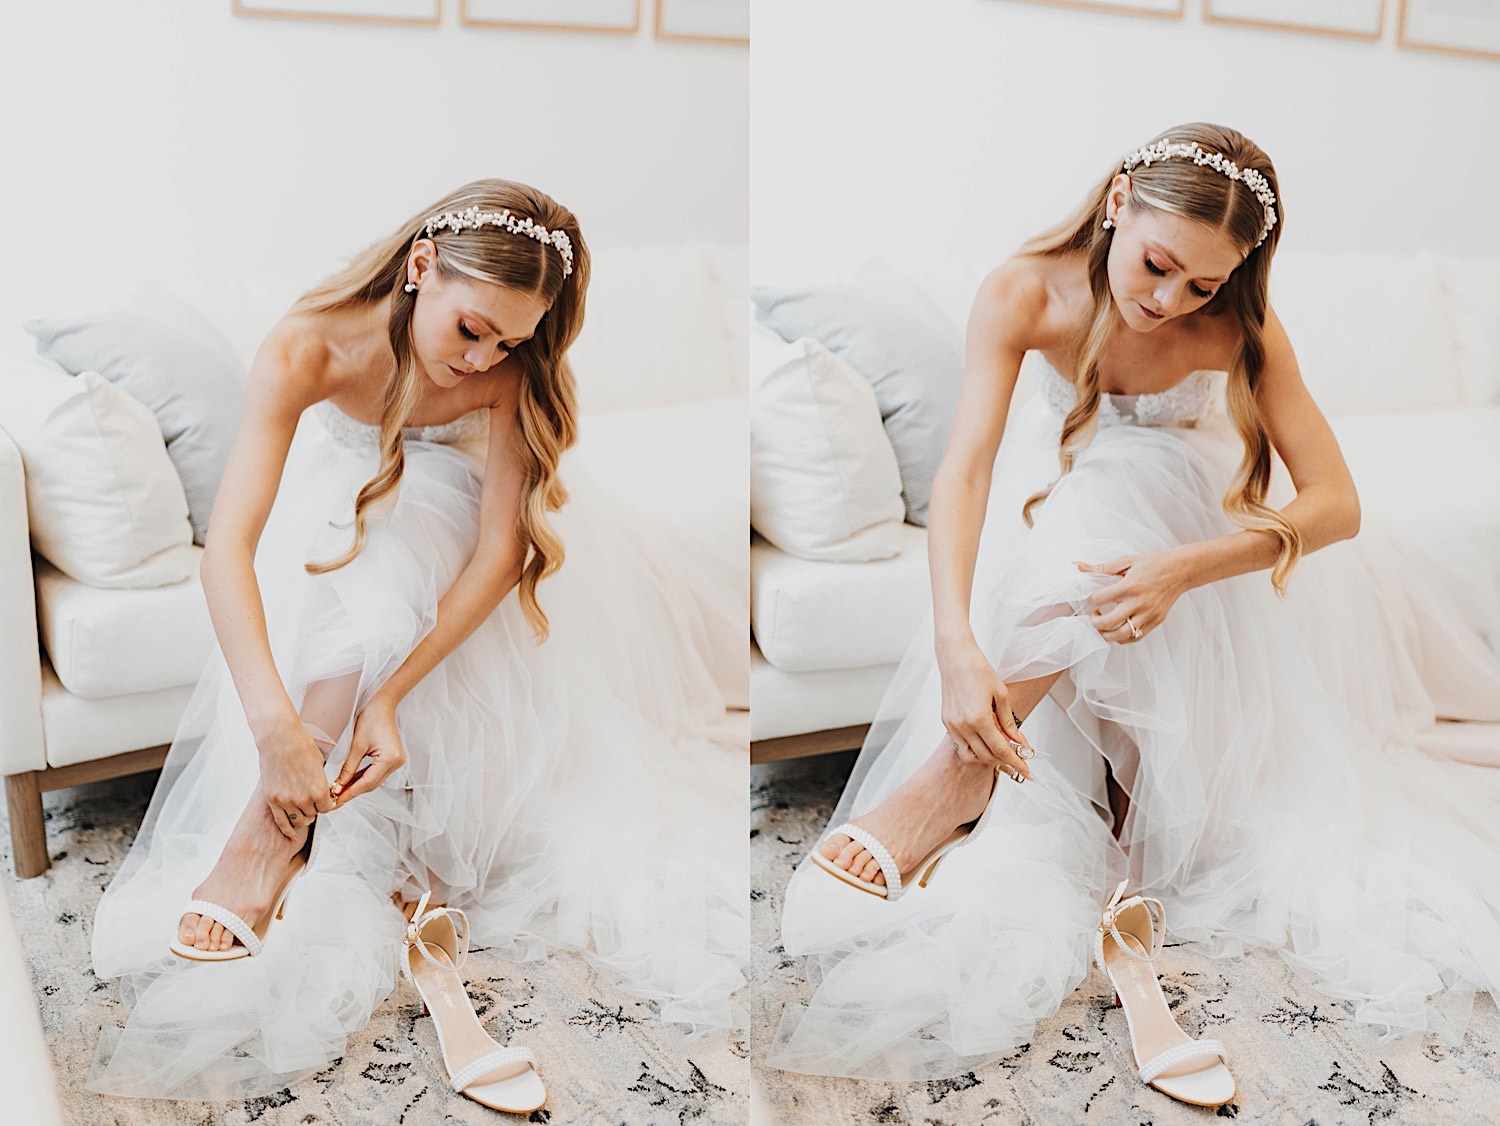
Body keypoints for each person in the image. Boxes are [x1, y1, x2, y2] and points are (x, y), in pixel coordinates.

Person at [772, 124, 1500, 1096]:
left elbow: (1336, 502)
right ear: (1117, 202)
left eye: (1201, 286)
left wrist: (1186, 570)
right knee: (1086, 514)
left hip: (1189, 537)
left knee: (1117, 502)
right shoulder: (1024, 290)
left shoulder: (1237, 325)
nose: (1168, 303)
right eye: (1158, 266)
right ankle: (1036, 787)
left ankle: (960, 780)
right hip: (1062, 511)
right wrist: (955, 641)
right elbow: (969, 469)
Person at [89, 180, 746, 1103]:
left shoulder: (512, 374)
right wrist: (273, 725)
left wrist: (392, 696)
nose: (483, 362)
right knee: (361, 553)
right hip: (342, 515)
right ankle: (287, 798)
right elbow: (228, 548)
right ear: (421, 267)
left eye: (510, 343)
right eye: (472, 330)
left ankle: (268, 839)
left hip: (458, 542)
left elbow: (496, 552)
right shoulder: (307, 345)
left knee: (397, 550)